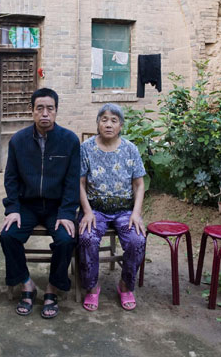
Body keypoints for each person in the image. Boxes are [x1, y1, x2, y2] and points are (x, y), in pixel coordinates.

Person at [0, 88, 80, 318]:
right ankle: (26, 284)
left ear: (56, 111)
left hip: (57, 207)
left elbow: (73, 182)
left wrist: (66, 212)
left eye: (50, 108)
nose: (45, 113)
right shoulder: (18, 141)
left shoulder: (69, 141)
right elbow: (11, 178)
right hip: (27, 205)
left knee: (67, 239)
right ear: (32, 111)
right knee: (8, 235)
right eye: (40, 108)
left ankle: (53, 287)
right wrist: (13, 209)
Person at [78, 103, 147, 311]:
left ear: (121, 125)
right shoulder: (86, 148)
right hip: (95, 209)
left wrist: (136, 213)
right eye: (104, 119)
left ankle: (125, 285)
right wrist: (87, 211)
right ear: (98, 123)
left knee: (137, 239)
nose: (108, 124)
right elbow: (79, 183)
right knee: (86, 237)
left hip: (124, 210)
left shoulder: (130, 149)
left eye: (114, 120)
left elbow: (139, 184)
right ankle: (91, 287)